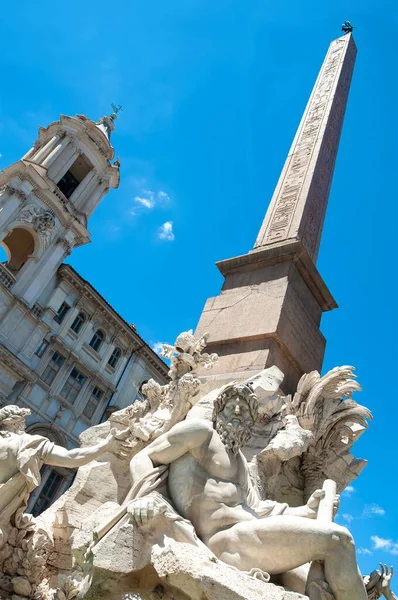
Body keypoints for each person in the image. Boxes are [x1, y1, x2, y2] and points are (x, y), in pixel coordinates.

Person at [129, 383, 367, 600]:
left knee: (320, 578)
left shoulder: (240, 461)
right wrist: (146, 497)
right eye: (231, 406)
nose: (236, 412)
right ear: (218, 411)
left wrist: (307, 510)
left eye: (243, 410)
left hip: (249, 537)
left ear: (251, 420)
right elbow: (143, 457)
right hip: (225, 542)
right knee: (339, 540)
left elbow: (257, 509)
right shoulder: (200, 433)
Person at [0, 404, 128, 530]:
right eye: (23, 421)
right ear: (15, 423)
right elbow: (72, 458)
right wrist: (106, 446)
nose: (25, 425)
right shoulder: (29, 444)